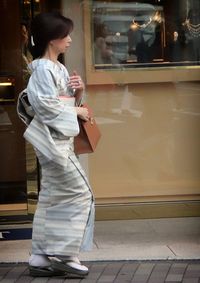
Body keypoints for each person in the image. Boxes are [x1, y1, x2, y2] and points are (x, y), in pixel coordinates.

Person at [21, 12, 95, 278]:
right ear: (52, 39)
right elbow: (45, 106)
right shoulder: (42, 68)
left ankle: (39, 256)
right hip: (54, 145)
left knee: (51, 196)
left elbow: (60, 104)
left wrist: (78, 93)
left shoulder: (58, 67)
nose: (70, 40)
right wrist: (78, 112)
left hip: (58, 141)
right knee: (81, 193)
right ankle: (65, 254)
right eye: (65, 35)